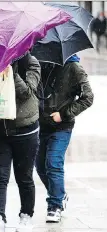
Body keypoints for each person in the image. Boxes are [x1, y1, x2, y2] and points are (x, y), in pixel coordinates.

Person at [0, 51, 41, 232]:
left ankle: (26, 215)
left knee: (24, 176)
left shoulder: (31, 63)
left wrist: (11, 71)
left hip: (26, 129)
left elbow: (26, 93)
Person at [36, 54, 94, 222]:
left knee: (53, 162)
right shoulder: (38, 63)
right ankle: (60, 194)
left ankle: (55, 205)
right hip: (39, 124)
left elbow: (88, 97)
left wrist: (63, 114)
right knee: (40, 166)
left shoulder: (73, 68)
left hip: (61, 126)